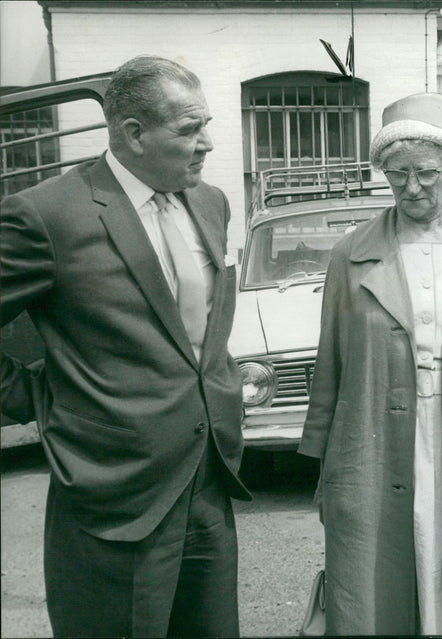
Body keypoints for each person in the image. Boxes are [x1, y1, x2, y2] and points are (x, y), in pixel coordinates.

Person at [0, 55, 250, 637]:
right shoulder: (46, 214)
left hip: (208, 481)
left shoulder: (210, 202)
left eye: (205, 125)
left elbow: (197, 331)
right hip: (111, 494)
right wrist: (38, 397)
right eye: (189, 129)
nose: (207, 143)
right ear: (133, 134)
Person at [298, 92, 442, 636]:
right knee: (374, 584)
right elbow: (329, 365)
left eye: (426, 173)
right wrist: (322, 467)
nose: (412, 187)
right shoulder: (350, 253)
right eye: (396, 174)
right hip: (375, 444)